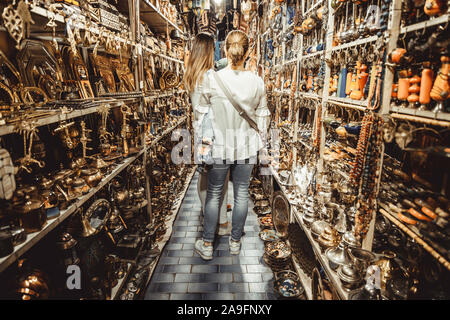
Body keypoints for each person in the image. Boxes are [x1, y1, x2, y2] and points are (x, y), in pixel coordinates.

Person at [192, 30, 271, 260]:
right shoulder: (257, 82)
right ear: (247, 53)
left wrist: (204, 139)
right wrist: (260, 140)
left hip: (220, 147)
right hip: (246, 147)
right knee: (241, 194)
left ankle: (207, 244)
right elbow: (263, 115)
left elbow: (201, 114)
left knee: (214, 194)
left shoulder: (211, 78)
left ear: (225, 50)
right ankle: (235, 242)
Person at [184, 33, 231, 236]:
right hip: (214, 134)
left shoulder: (193, 75)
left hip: (201, 133)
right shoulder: (210, 77)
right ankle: (220, 223)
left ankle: (209, 213)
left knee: (204, 176)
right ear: (208, 51)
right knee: (220, 178)